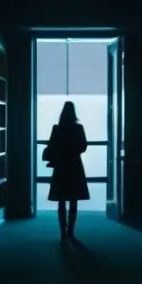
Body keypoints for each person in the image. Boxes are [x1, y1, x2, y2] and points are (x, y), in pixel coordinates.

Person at [44, 101, 89, 240]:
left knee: (61, 200)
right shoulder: (78, 128)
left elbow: (51, 146)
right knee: (74, 200)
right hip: (74, 166)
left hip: (61, 166)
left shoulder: (57, 129)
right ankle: (71, 229)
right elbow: (83, 146)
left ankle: (62, 229)